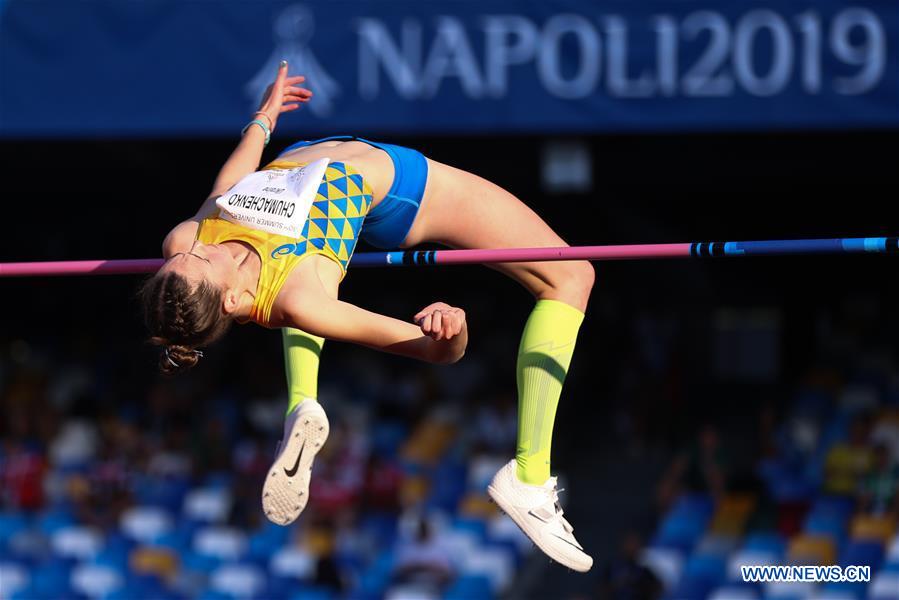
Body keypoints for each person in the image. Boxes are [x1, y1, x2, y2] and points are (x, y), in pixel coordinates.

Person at [139, 60, 595, 571]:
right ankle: (530, 478)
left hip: (307, 154)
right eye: (201, 261)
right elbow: (433, 352)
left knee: (272, 286)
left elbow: (230, 181)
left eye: (188, 253)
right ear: (229, 301)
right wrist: (450, 327)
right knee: (571, 275)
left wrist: (262, 120)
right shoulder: (297, 297)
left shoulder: (186, 241)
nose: (200, 246)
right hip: (403, 189)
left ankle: (302, 404)